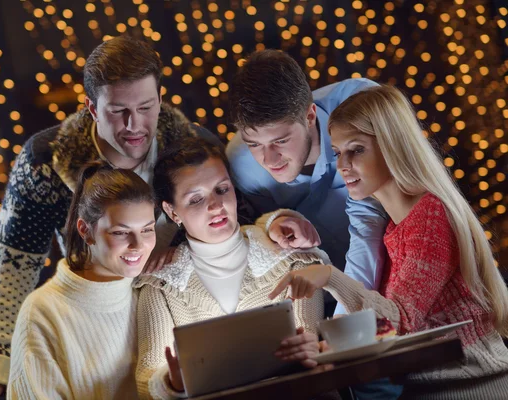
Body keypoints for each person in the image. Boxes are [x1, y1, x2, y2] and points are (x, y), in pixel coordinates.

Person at [0, 35, 220, 399]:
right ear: (92, 109)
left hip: (176, 322)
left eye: (145, 107)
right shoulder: (43, 160)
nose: (134, 125)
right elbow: (13, 263)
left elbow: (240, 227)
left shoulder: (196, 150)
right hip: (92, 330)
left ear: (161, 100)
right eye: (118, 111)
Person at [271, 85, 508, 399]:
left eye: (357, 149)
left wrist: (330, 277)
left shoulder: (430, 215)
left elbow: (402, 323)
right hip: (428, 386)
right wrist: (319, 342)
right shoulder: (394, 229)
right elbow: (383, 327)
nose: (343, 165)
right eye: (339, 151)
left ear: (392, 145)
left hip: (472, 386)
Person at [134, 139, 338, 400]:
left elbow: (311, 343)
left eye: (222, 189)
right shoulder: (161, 285)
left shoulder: (292, 257)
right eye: (196, 199)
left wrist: (314, 350)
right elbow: (146, 378)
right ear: (172, 212)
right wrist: (171, 383)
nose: (216, 206)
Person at [226, 49, 387, 317]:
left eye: (280, 140)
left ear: (310, 116)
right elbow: (268, 247)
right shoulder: (242, 164)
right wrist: (273, 224)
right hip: (318, 301)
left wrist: (351, 317)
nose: (268, 159)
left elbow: (372, 218)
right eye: (255, 143)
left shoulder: (364, 106)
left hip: (398, 272)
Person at [8, 164, 156, 399]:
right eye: (120, 232)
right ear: (85, 231)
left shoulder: (154, 288)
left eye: (147, 230)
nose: (138, 245)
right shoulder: (42, 312)